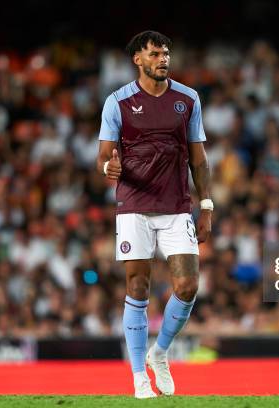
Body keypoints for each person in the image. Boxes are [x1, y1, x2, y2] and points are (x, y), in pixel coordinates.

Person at [96, 31, 212, 398]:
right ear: (138, 60)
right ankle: (138, 378)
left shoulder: (187, 99)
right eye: (155, 54)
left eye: (166, 53)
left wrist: (206, 205)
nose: (163, 59)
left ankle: (159, 352)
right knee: (137, 287)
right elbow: (103, 156)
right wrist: (107, 171)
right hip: (134, 206)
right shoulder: (118, 103)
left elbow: (198, 158)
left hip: (177, 206)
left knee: (188, 286)